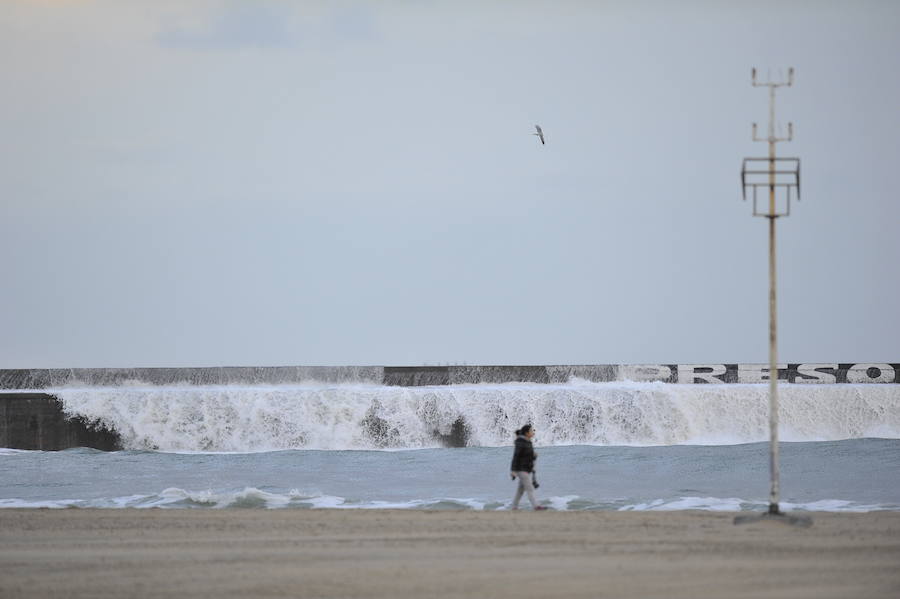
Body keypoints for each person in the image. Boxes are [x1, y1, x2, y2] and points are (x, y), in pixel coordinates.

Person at [509, 424, 547, 510]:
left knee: (520, 490)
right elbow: (516, 456)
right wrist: (513, 470)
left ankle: (514, 507)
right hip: (521, 469)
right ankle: (536, 506)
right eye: (531, 431)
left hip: (526, 469)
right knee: (530, 488)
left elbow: (525, 455)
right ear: (526, 433)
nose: (533, 432)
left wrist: (533, 455)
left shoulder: (527, 442)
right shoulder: (521, 443)